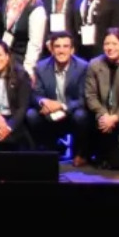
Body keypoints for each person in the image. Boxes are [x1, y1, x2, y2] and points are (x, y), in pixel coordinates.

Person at [29, 33, 91, 165]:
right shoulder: (41, 67)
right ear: (51, 49)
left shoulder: (83, 67)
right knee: (31, 115)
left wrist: (62, 106)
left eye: (65, 46)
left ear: (72, 50)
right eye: (57, 46)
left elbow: (84, 98)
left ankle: (80, 153)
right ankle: (47, 149)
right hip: (49, 113)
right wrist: (43, 102)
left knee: (81, 115)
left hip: (71, 112)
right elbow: (35, 94)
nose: (61, 50)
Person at [84, 30, 119, 169]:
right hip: (100, 116)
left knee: (117, 163)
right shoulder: (94, 64)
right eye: (106, 44)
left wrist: (114, 118)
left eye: (114, 44)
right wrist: (104, 115)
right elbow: (90, 95)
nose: (110, 47)